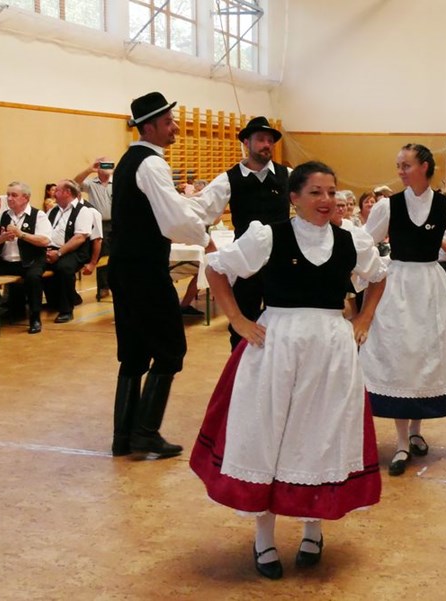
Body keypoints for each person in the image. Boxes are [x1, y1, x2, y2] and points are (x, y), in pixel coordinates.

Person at [190, 161, 385, 580]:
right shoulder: (269, 236)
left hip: (331, 351)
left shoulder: (351, 240)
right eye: (315, 192)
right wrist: (238, 321)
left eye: (331, 192)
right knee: (270, 437)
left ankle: (313, 529)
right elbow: (216, 269)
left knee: (320, 436)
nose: (326, 200)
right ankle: (264, 537)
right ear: (294, 198)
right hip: (277, 347)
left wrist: (365, 318)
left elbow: (378, 277)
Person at [360, 143, 446, 477]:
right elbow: (361, 245)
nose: (400, 171)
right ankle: (402, 441)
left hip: (431, 286)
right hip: (397, 285)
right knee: (400, 357)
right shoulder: (388, 206)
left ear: (424, 167)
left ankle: (416, 431)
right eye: (399, 165)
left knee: (423, 356)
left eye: (406, 165)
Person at [108, 91, 215, 459]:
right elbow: (172, 219)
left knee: (134, 353)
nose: (175, 128)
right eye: (168, 122)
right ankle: (145, 433)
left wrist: (195, 211)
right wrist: (205, 239)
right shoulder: (152, 164)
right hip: (143, 270)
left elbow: (167, 208)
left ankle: (123, 437)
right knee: (171, 350)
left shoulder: (129, 161)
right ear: (149, 127)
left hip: (124, 267)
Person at [188, 116, 292, 350]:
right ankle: (239, 367)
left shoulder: (288, 175)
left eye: (270, 140)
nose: (267, 145)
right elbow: (201, 210)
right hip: (245, 263)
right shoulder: (229, 179)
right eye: (261, 139)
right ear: (246, 142)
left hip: (281, 261)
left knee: (285, 321)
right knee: (242, 324)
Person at [0, 181, 52, 334]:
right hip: (6, 262)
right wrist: (2, 238)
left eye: (14, 195)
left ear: (26, 198)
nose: (9, 198)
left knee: (33, 278)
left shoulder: (39, 215)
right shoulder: (3, 216)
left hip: (30, 261)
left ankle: (35, 318)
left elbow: (45, 240)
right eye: (8, 195)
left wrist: (21, 234)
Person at [44, 179, 93, 323]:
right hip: (51, 249)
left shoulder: (83, 211)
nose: (54, 194)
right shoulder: (53, 210)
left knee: (64, 267)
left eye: (57, 191)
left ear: (67, 192)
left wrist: (59, 253)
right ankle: (54, 301)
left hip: (75, 251)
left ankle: (66, 310)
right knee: (34, 267)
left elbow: (79, 238)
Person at [75, 158, 114, 300]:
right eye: (104, 164)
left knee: (117, 255)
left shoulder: (117, 182)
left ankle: (117, 285)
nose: (108, 167)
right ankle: (103, 287)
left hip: (116, 222)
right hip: (100, 223)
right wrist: (89, 169)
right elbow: (74, 183)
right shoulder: (91, 183)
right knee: (103, 255)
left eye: (110, 164)